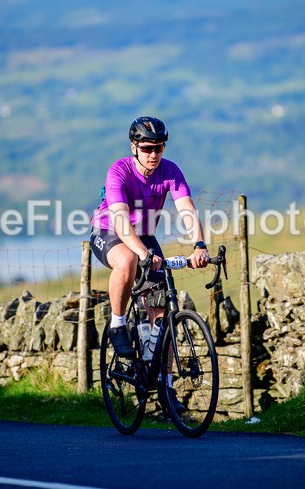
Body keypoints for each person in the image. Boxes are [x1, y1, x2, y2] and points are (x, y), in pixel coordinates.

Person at [90, 116, 209, 411]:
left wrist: (199, 244)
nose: (153, 154)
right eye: (146, 148)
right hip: (109, 231)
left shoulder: (170, 171)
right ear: (134, 147)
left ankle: (166, 387)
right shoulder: (118, 171)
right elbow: (119, 219)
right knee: (129, 259)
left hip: (145, 235)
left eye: (158, 147)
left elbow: (187, 209)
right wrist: (144, 254)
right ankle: (118, 324)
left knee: (164, 312)